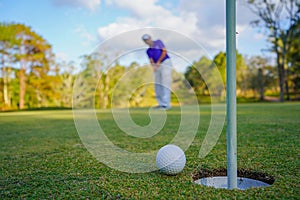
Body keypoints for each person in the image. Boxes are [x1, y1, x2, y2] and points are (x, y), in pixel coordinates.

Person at [142, 34, 172, 110]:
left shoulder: (158, 42)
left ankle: (166, 105)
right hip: (157, 66)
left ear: (150, 38)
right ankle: (161, 104)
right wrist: (154, 66)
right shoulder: (148, 51)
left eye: (147, 39)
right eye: (145, 40)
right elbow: (151, 60)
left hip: (165, 63)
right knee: (158, 84)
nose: (147, 41)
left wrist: (158, 62)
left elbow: (164, 51)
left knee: (165, 83)